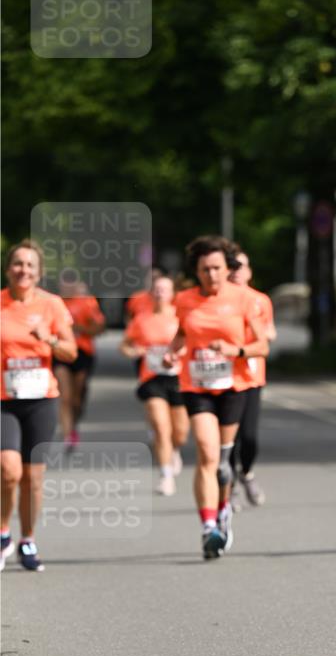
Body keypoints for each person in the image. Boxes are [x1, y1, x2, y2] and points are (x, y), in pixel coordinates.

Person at [165, 236, 268, 558]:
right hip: (196, 386)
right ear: (196, 271)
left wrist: (234, 350)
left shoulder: (242, 299)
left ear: (227, 269)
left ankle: (223, 509)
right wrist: (172, 352)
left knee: (222, 464)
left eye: (217, 268)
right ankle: (208, 527)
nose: (211, 275)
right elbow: (181, 334)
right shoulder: (184, 300)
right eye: (205, 269)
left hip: (233, 386)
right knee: (207, 454)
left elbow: (261, 346)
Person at [1, 241, 77, 572]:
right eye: (18, 264)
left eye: (30, 265)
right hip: (4, 400)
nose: (24, 270)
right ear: (8, 269)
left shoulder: (52, 305)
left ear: (39, 272)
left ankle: (27, 538)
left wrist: (50, 339)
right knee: (8, 470)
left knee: (33, 476)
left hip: (41, 399)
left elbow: (71, 353)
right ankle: (3, 533)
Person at [120, 274, 189, 496]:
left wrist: (181, 354)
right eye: (156, 289)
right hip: (151, 378)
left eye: (164, 289)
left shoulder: (181, 317)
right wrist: (135, 351)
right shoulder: (141, 319)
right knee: (160, 426)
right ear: (151, 293)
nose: (159, 293)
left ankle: (174, 449)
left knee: (180, 433)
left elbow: (193, 343)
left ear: (172, 294)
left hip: (178, 378)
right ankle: (165, 475)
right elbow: (125, 345)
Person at [226, 247, 277, 511]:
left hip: (253, 375)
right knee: (229, 437)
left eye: (240, 266)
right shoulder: (219, 301)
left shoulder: (260, 300)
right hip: (225, 377)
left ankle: (246, 472)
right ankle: (231, 484)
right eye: (231, 266)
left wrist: (261, 336)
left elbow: (270, 331)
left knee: (249, 437)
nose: (235, 271)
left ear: (248, 272)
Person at [53, 269, 105, 450]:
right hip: (60, 353)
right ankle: (67, 434)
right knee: (65, 396)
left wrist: (79, 328)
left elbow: (99, 328)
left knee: (76, 398)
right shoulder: (53, 303)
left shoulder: (86, 302)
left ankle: (73, 424)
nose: (66, 287)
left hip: (83, 353)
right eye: (63, 283)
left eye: (69, 283)